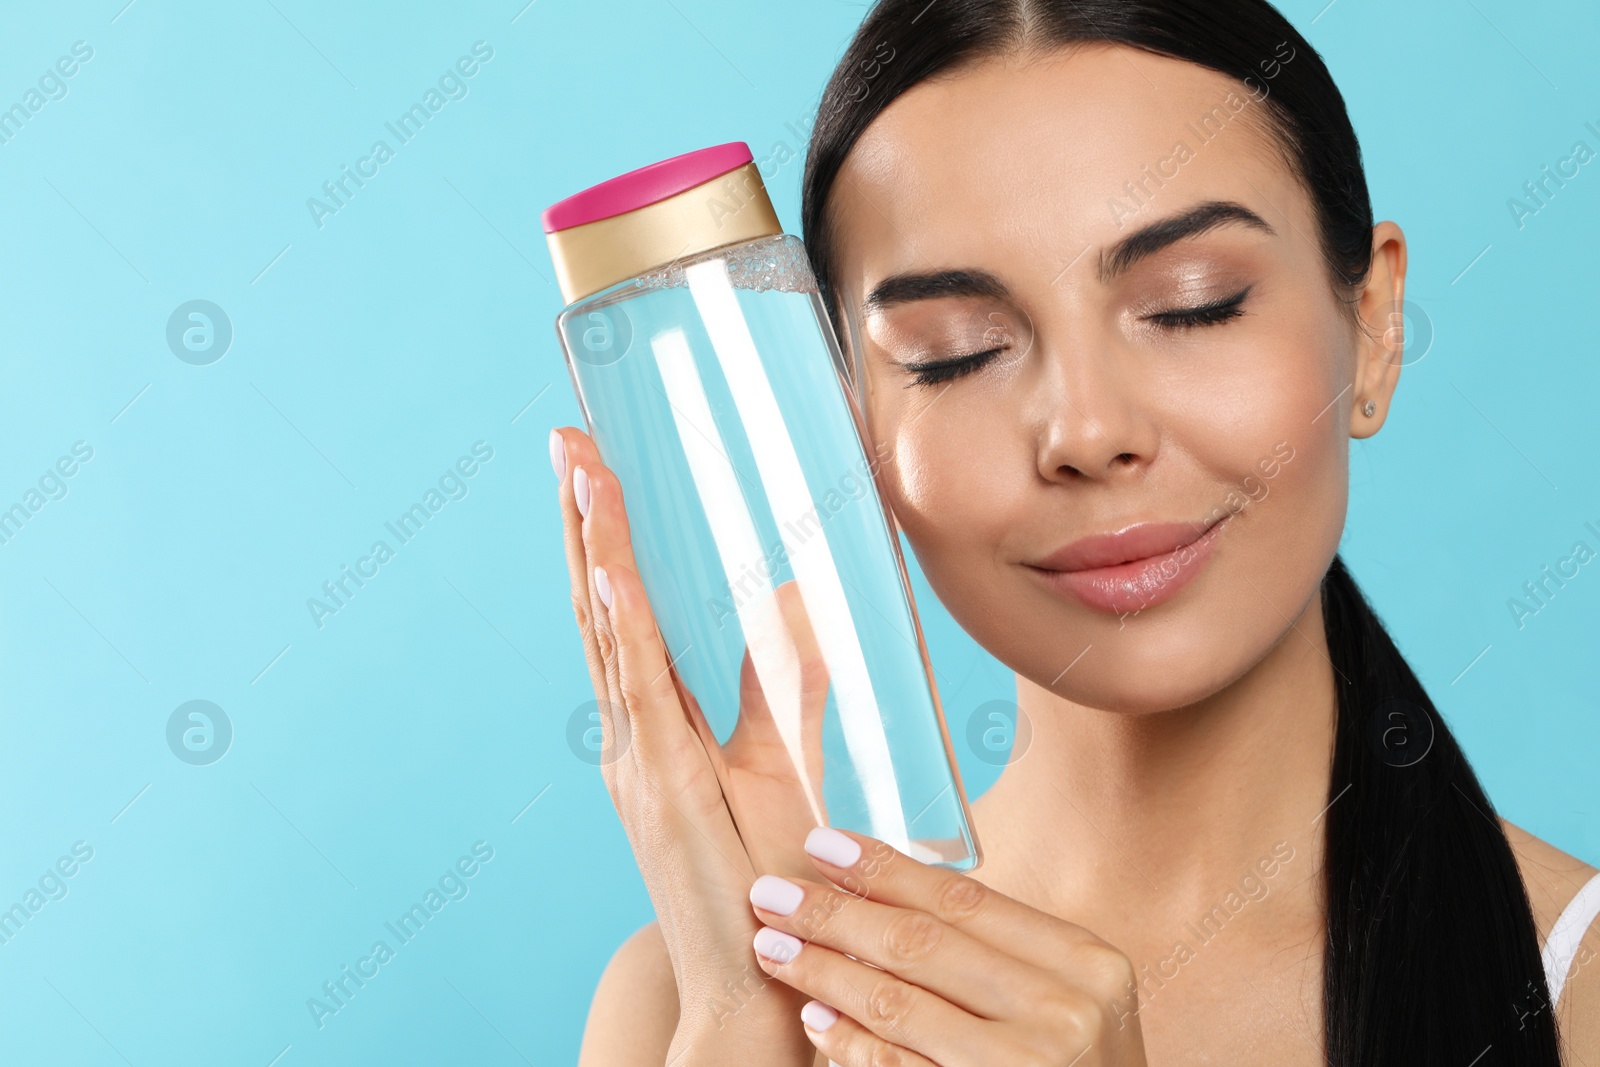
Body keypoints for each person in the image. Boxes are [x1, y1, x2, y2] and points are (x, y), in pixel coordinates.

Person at [554, 1, 1600, 1062]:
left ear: (1374, 326)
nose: (1088, 432)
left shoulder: (1578, 987)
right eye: (953, 352)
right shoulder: (694, 1000)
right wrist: (749, 1023)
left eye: (1194, 304)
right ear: (847, 421)